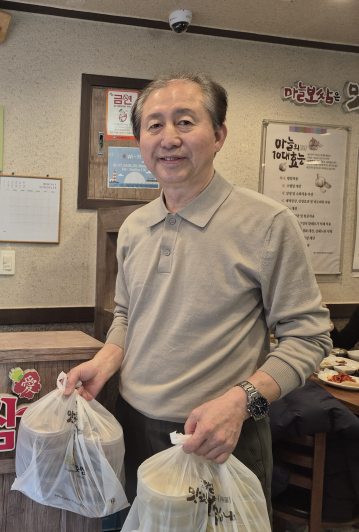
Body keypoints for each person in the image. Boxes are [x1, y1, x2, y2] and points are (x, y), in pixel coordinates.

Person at [64, 72, 331, 512]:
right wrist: (105, 360)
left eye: (186, 122)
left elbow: (310, 336)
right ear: (140, 142)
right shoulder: (132, 227)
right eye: (154, 125)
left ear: (219, 134)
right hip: (134, 423)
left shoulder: (267, 223)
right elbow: (128, 315)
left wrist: (239, 403)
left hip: (221, 434)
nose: (169, 138)